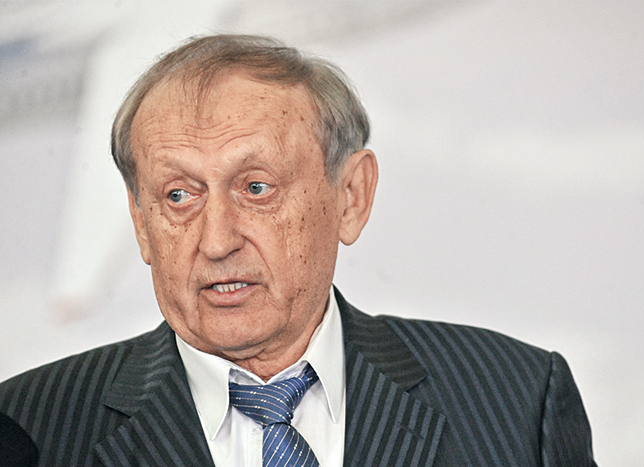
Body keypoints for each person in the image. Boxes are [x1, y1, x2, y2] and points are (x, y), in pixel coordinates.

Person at [0, 34, 596, 466]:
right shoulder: (27, 428)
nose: (217, 241)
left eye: (256, 188)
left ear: (351, 196)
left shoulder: (517, 399)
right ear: (140, 222)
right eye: (179, 195)